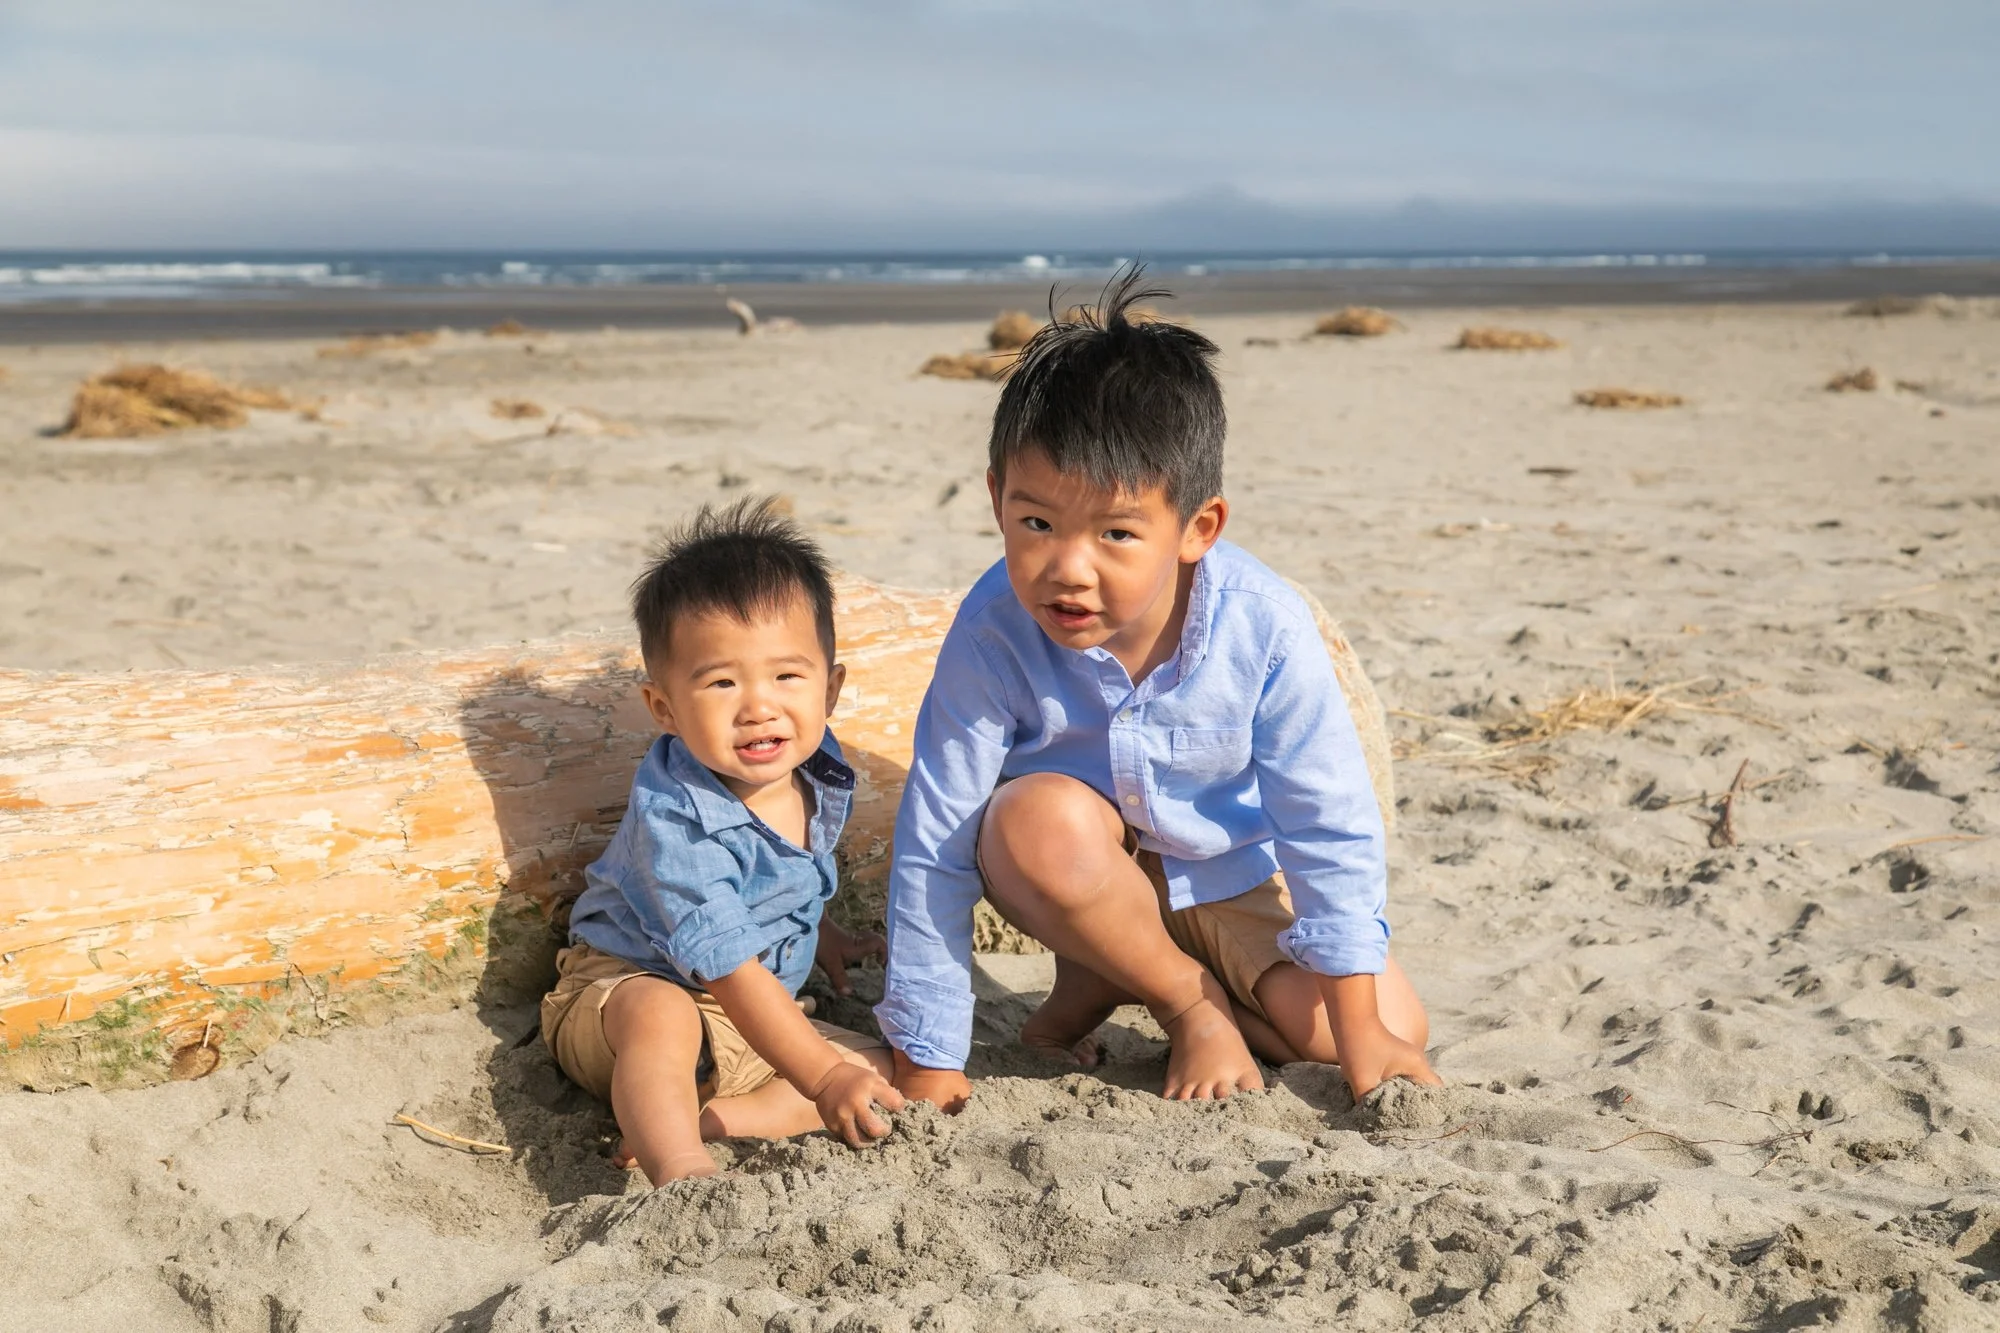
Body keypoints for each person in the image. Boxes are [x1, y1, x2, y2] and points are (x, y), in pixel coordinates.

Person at [877, 270, 1441, 1113]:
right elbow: (937, 834)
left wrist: (1364, 1035)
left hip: (1231, 872)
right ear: (996, 499)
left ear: (1196, 529)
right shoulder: (993, 627)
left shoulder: (1265, 626)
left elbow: (1327, 819)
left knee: (1384, 1024)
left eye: (1115, 533)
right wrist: (926, 1051)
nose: (1068, 567)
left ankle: (1104, 976)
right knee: (1031, 818)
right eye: (1037, 523)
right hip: (1076, 868)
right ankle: (1185, 999)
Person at [540, 497, 903, 1184]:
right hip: (621, 995)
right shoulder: (677, 818)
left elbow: (784, 879)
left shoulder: (818, 768)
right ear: (665, 708)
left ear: (831, 688)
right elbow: (727, 963)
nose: (759, 705)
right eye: (723, 682)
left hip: (748, 1016)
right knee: (664, 1015)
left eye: (786, 676)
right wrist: (822, 1076)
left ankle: (711, 1120)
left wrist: (822, 935)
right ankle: (681, 1168)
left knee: (886, 1068)